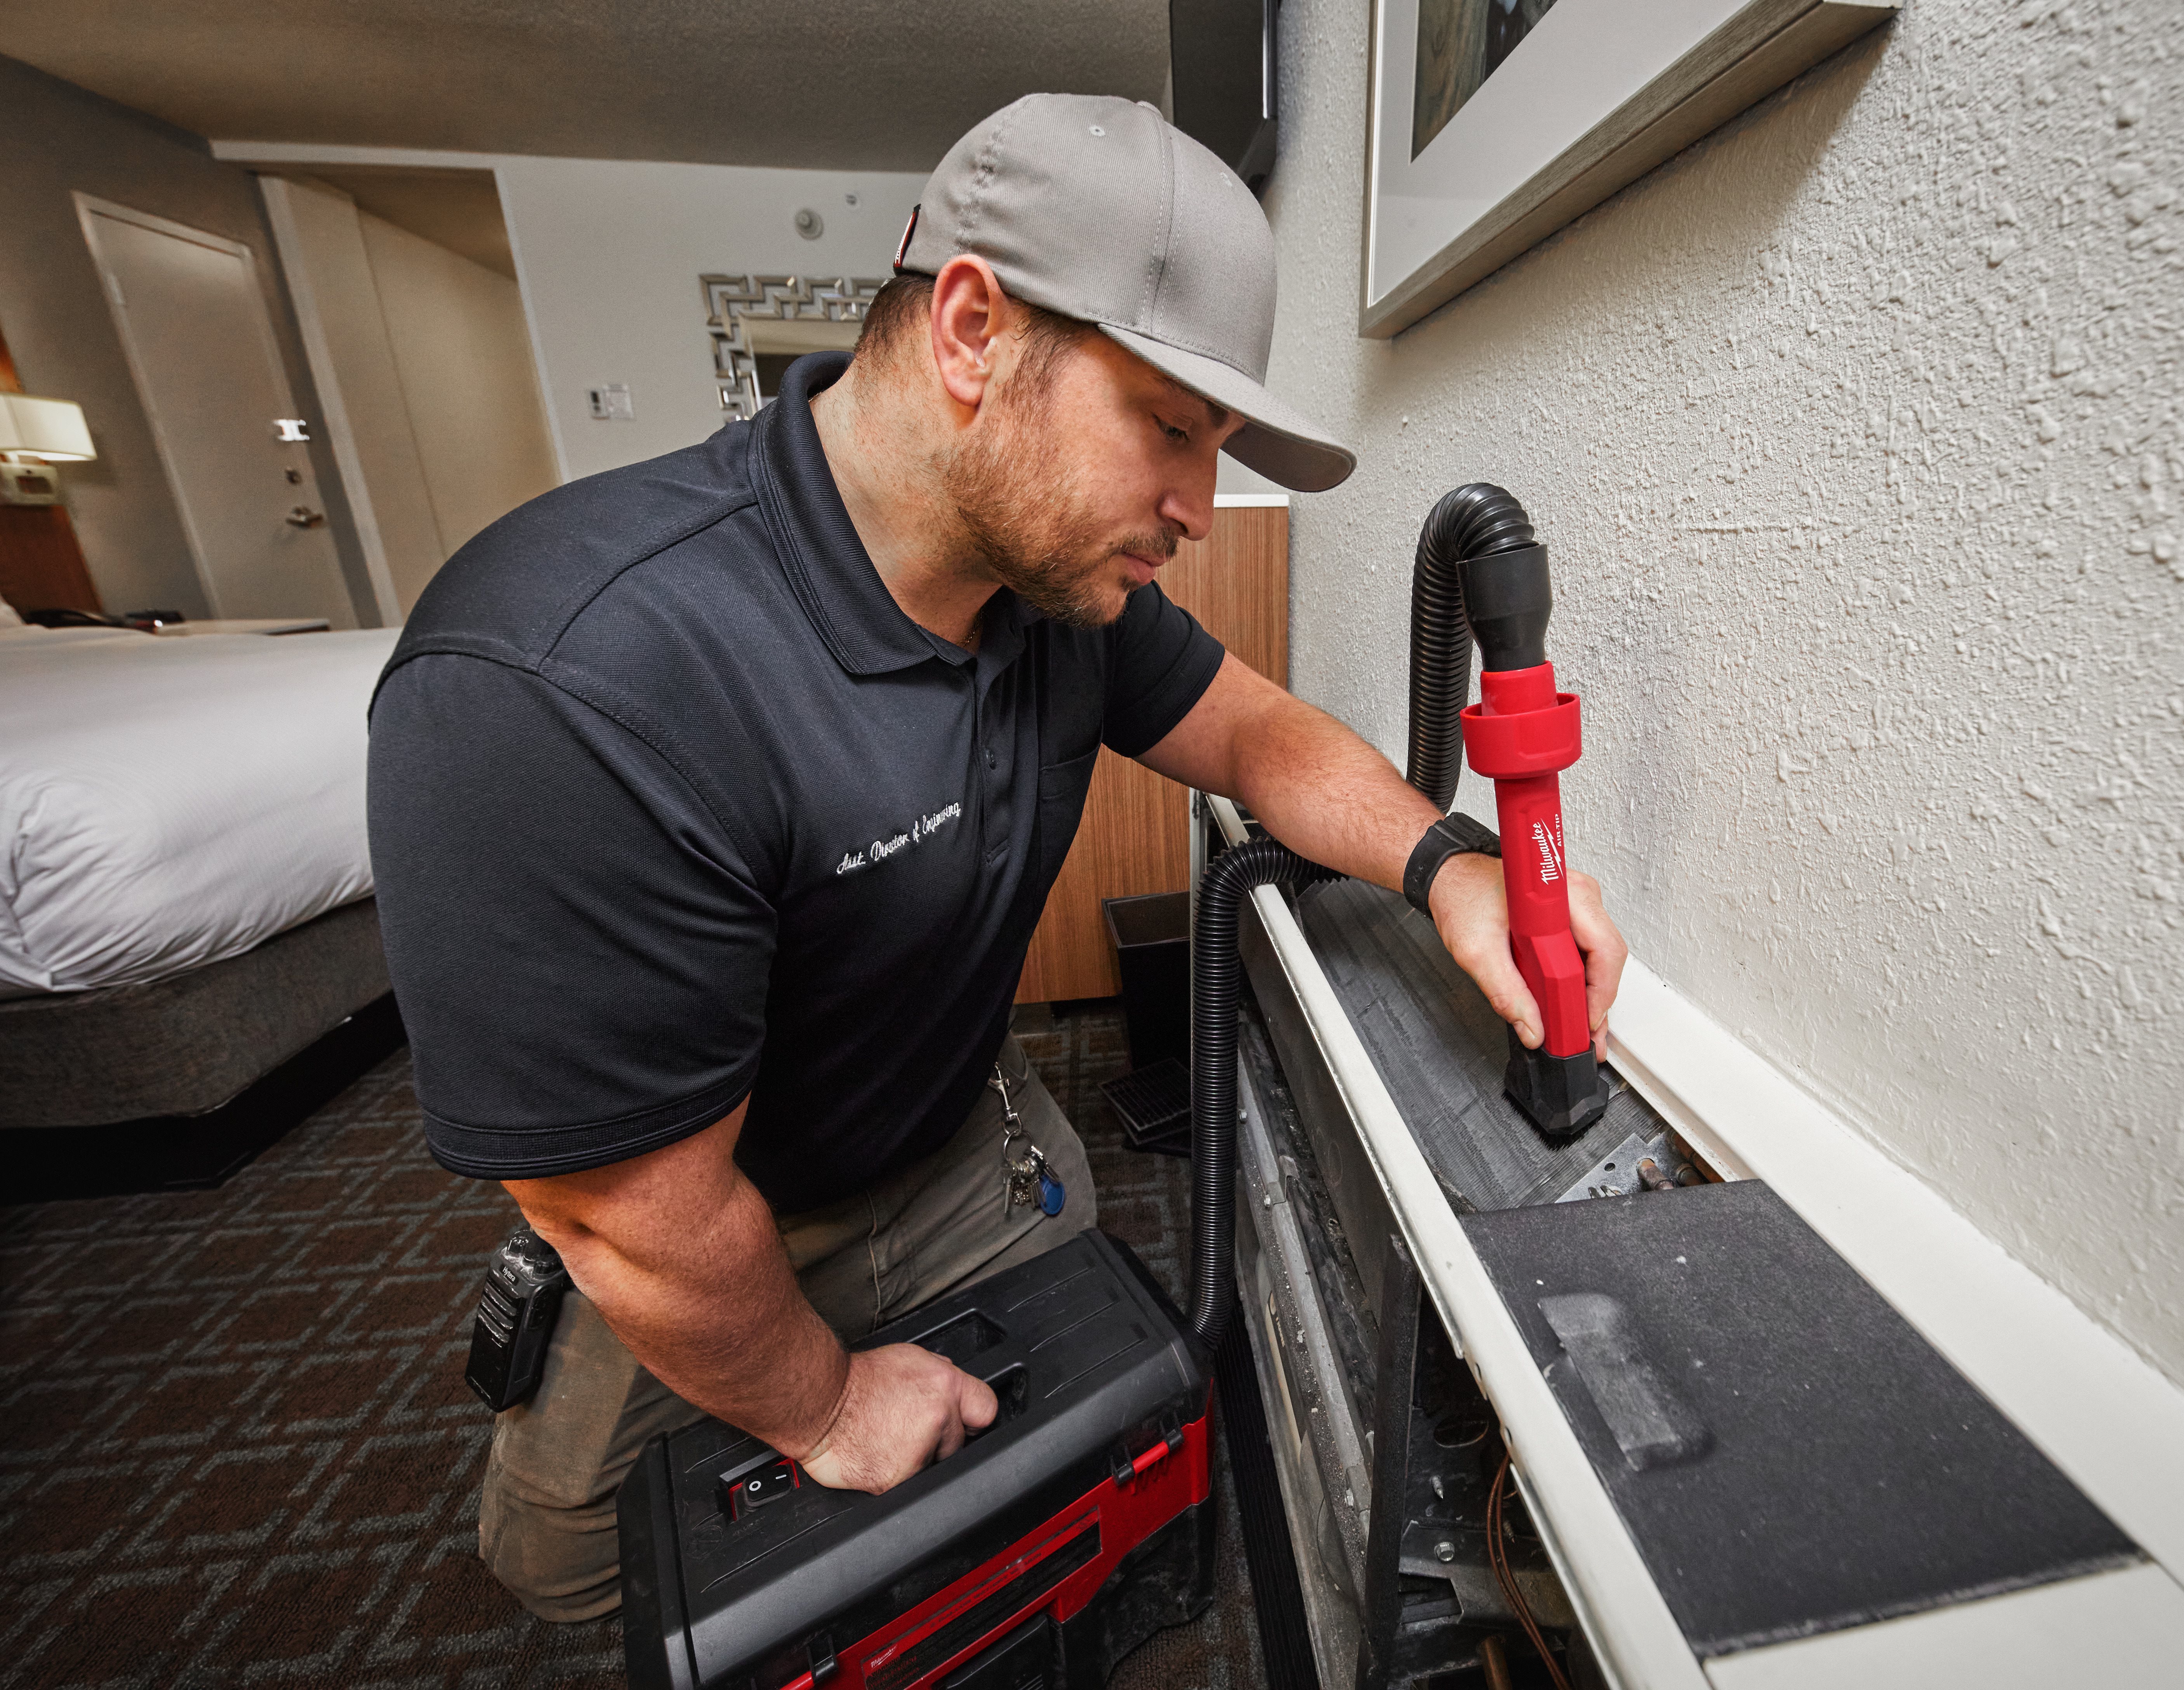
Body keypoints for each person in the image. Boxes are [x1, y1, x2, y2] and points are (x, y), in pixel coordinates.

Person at [367, 92, 1629, 1622]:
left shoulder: (1056, 594)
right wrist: (824, 1405)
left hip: (961, 1128)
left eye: (1216, 445)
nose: (1194, 505)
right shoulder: (567, 679)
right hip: (719, 1198)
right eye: (1170, 428)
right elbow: (620, 1212)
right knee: (576, 1568)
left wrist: (1453, 863)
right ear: (972, 330)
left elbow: (1254, 735)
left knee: (1063, 1448)